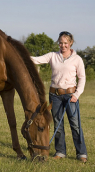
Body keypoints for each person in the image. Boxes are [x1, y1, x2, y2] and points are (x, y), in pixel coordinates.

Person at [31, 31, 87, 163]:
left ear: (71, 43)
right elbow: (36, 59)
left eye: (66, 43)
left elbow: (82, 78)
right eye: (61, 43)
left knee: (75, 125)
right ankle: (60, 151)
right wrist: (21, 55)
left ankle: (81, 153)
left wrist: (76, 94)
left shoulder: (77, 59)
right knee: (57, 125)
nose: (63, 46)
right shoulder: (52, 56)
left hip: (70, 96)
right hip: (54, 96)